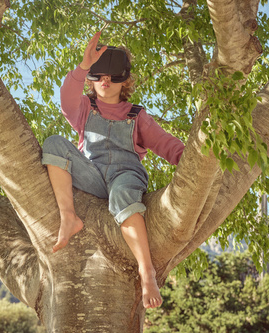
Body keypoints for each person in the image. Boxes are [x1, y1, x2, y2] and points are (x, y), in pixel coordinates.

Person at [41, 31, 185, 309]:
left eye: (113, 76)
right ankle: (68, 217)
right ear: (92, 80)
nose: (105, 81)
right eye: (98, 75)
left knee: (121, 194)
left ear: (125, 80)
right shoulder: (84, 108)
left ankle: (147, 273)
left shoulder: (137, 115)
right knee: (54, 144)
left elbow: (168, 146)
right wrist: (83, 67)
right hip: (92, 174)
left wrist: (197, 162)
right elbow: (66, 99)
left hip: (125, 175)